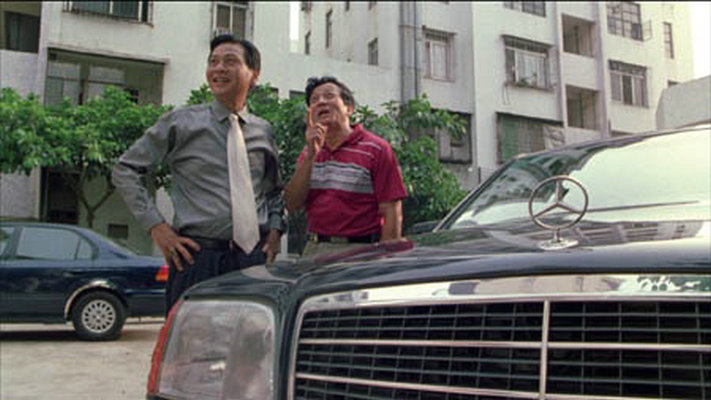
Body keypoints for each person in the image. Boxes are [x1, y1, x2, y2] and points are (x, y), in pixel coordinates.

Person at [112, 34, 285, 313]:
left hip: (252, 261)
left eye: (230, 61)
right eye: (213, 62)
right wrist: (157, 226)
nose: (219, 68)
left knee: (250, 338)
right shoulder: (181, 123)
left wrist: (275, 232)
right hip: (196, 260)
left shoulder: (263, 131)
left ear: (254, 74)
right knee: (192, 339)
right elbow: (125, 169)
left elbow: (274, 191)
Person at [284, 76, 407, 257]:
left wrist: (387, 258)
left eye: (329, 96)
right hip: (316, 249)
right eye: (314, 100)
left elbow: (391, 210)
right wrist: (310, 156)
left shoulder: (376, 149)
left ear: (349, 108)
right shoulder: (308, 152)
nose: (321, 102)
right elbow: (291, 204)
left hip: (361, 251)